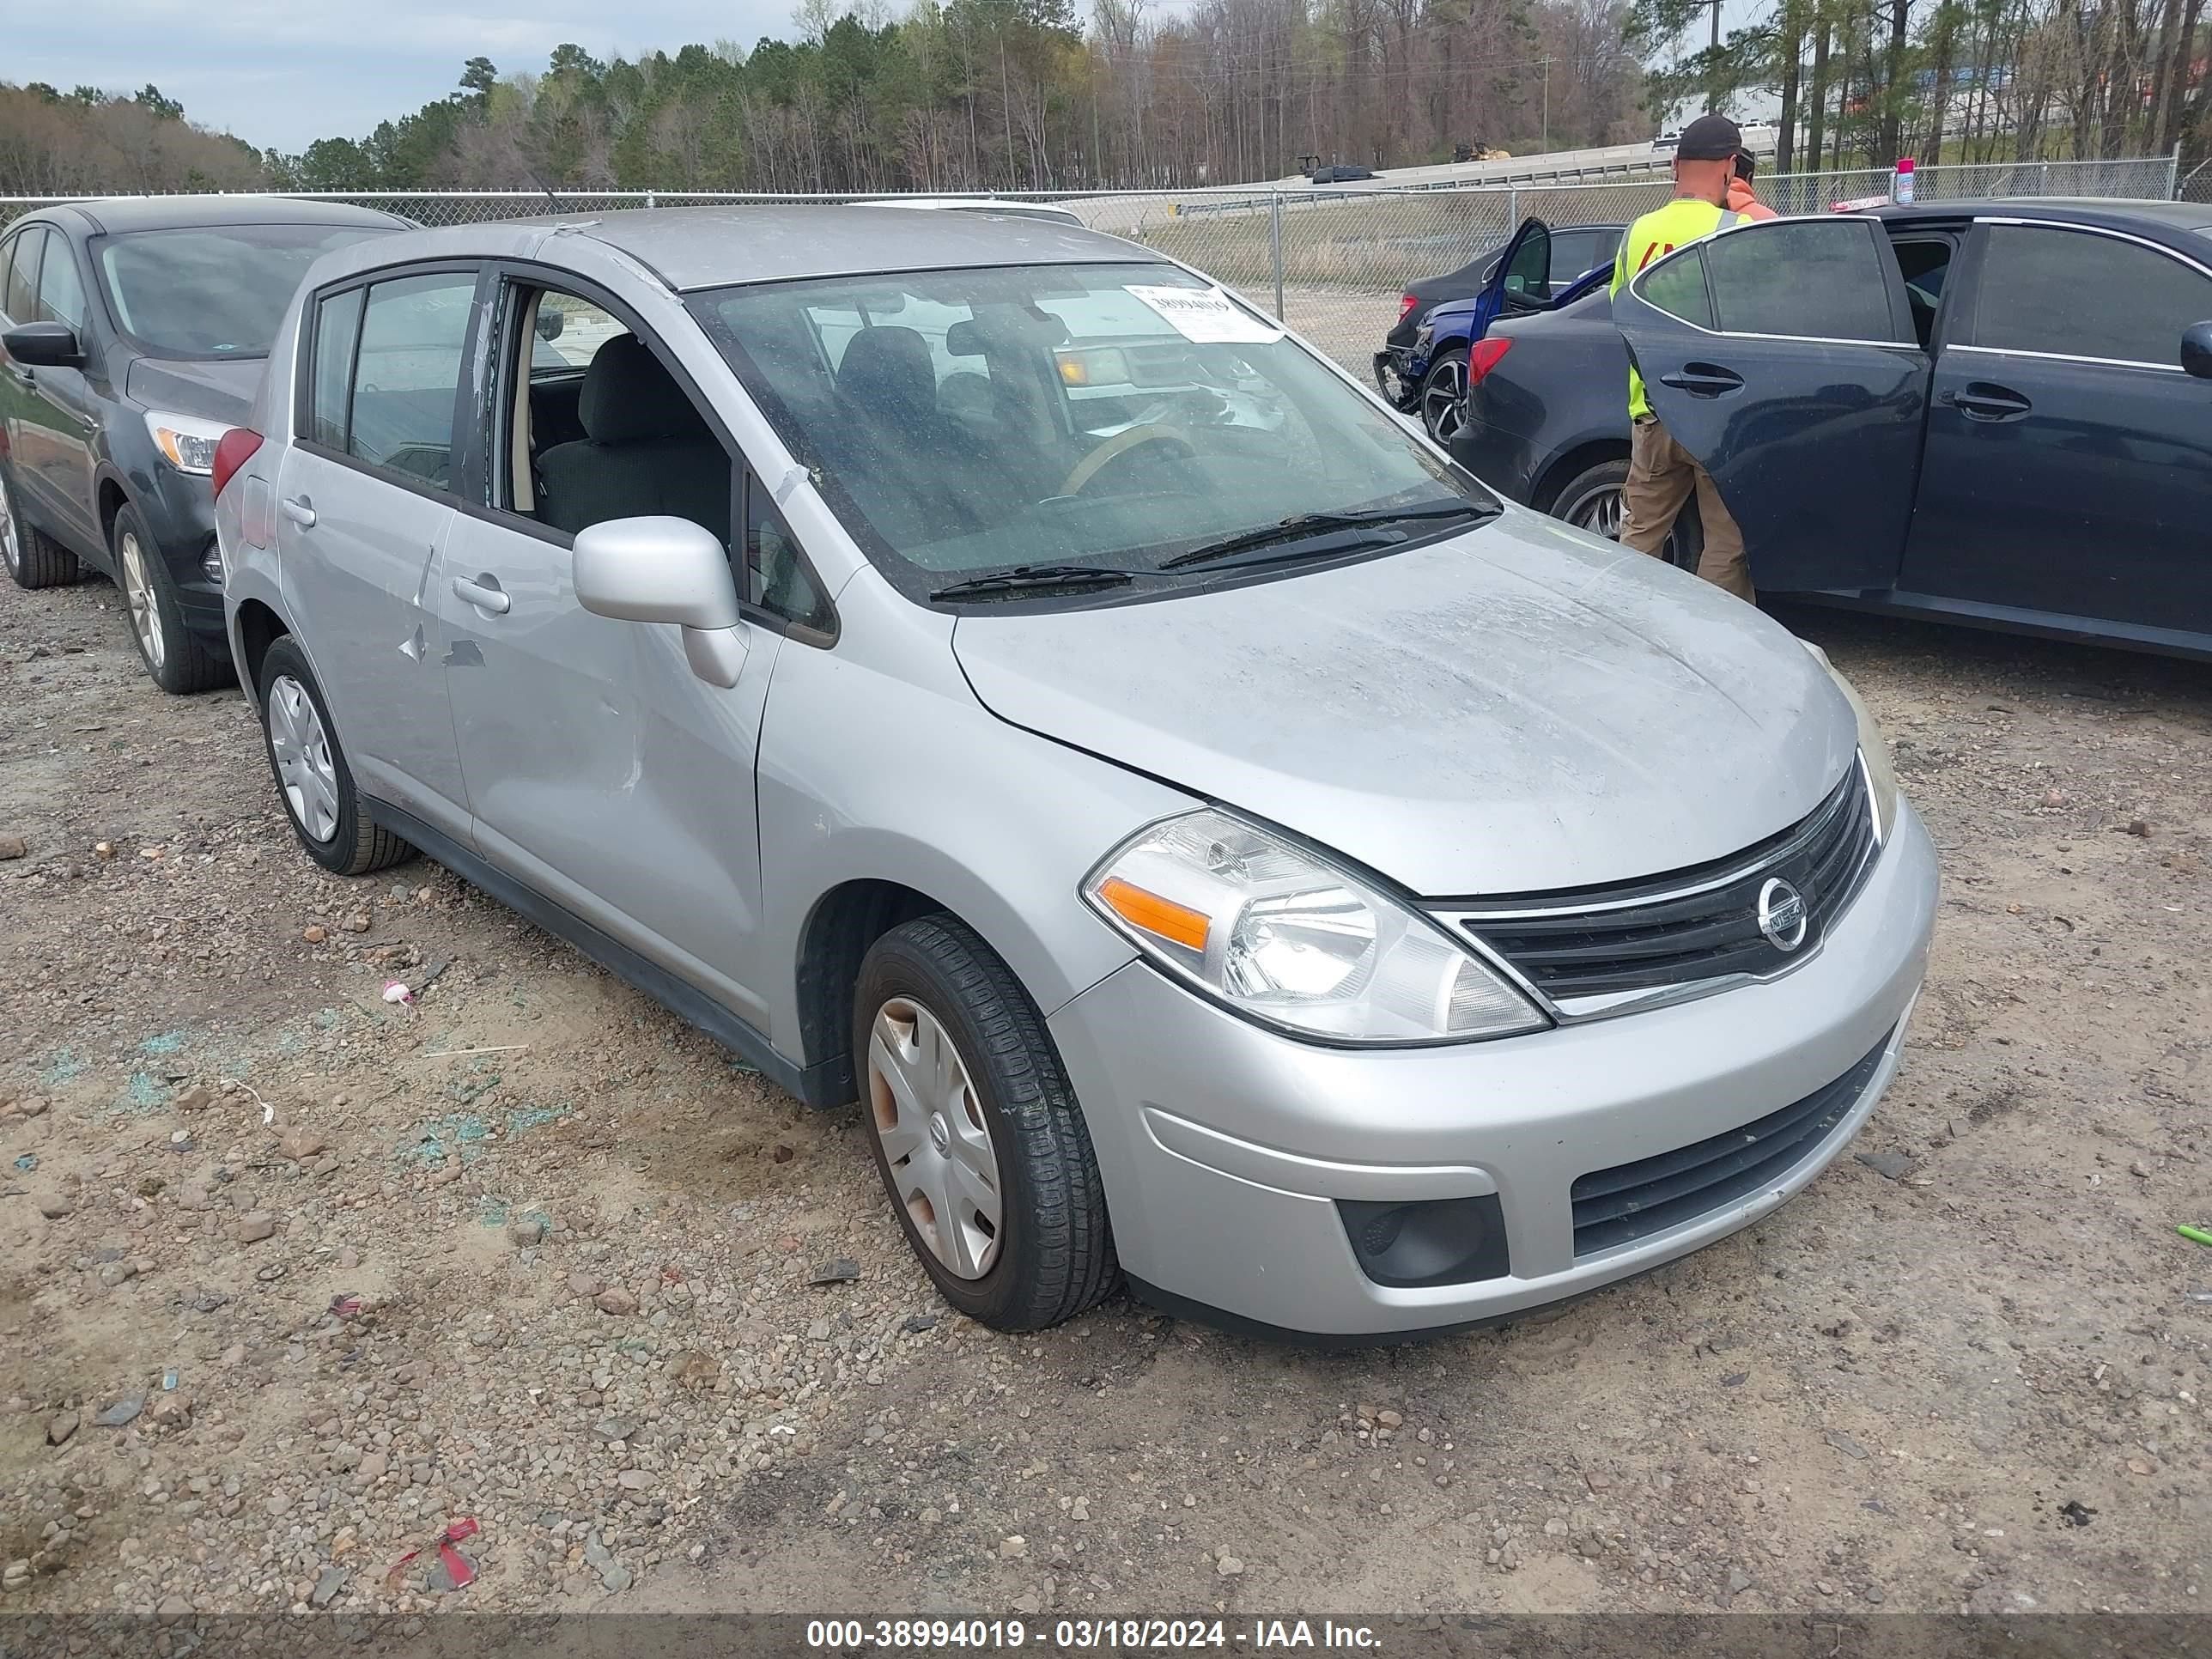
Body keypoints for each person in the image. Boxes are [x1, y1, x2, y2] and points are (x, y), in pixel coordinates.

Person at [1607, 112, 1765, 602]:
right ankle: (1714, 638)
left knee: (1640, 537)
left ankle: (1623, 625)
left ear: (1675, 166)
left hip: (1653, 413)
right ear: (1732, 165)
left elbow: (1621, 314)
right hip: (1717, 418)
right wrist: (1754, 208)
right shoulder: (1738, 230)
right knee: (1726, 544)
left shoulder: (1639, 231)